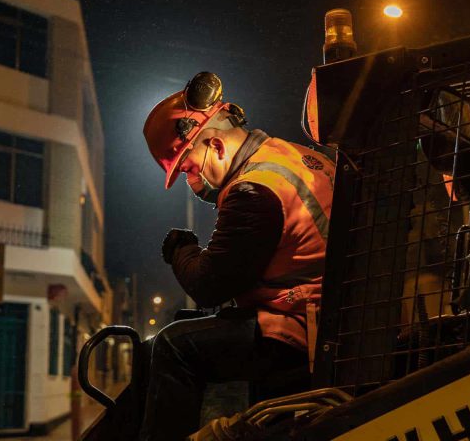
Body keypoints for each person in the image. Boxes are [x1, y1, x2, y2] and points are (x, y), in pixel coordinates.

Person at [139, 72, 335, 440]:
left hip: (301, 327)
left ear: (214, 144)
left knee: (172, 345)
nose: (193, 183)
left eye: (188, 168)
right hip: (326, 311)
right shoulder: (295, 157)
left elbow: (208, 284)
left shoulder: (253, 191)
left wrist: (181, 249)